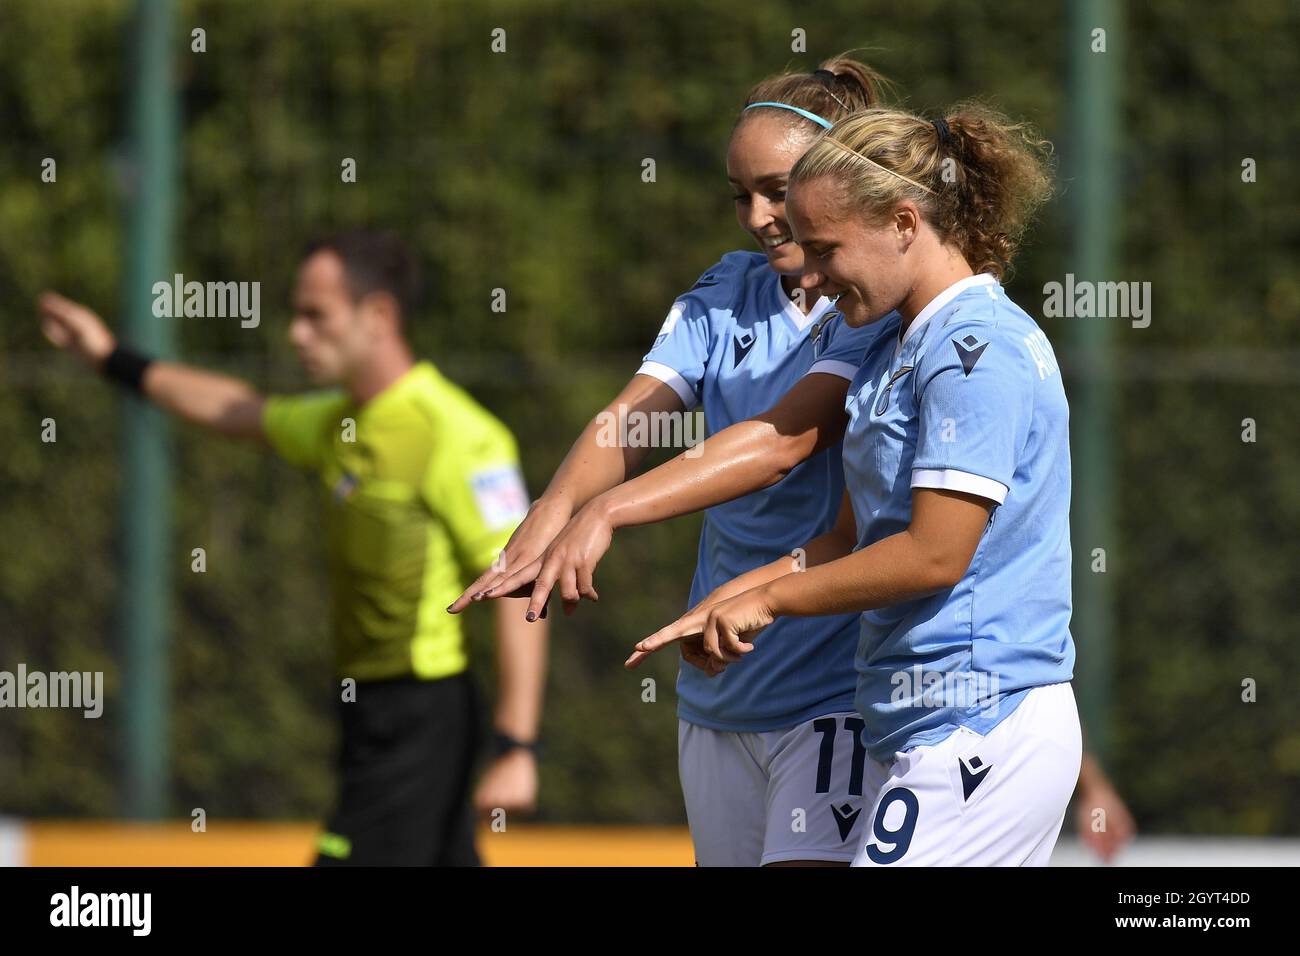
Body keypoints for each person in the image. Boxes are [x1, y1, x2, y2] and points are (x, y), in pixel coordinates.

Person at [522, 104, 1082, 865]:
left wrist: (769, 598)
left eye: (825, 248)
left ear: (905, 223)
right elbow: (852, 539)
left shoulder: (976, 353)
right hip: (910, 725)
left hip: (981, 725)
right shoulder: (892, 352)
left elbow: (933, 556)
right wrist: (731, 600)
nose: (809, 278)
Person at [452, 57, 890, 866]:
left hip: (839, 696)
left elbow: (781, 442)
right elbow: (631, 418)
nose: (759, 215)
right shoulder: (725, 291)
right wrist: (549, 515)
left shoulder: (872, 304)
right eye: (739, 194)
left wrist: (606, 512)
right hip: (718, 695)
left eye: (777, 188)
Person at [38, 229, 547, 866]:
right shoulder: (339, 421)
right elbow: (234, 410)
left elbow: (520, 579)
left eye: (315, 316)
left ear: (379, 316)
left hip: (422, 712)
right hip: (369, 710)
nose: (295, 334)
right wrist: (110, 356)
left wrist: (515, 747)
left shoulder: (457, 434)